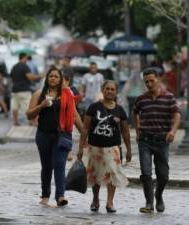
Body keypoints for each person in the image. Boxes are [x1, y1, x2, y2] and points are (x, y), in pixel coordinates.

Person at [26, 67, 84, 207]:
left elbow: (75, 115)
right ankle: (45, 195)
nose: (53, 78)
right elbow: (29, 115)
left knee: (59, 165)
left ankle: (60, 196)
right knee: (47, 167)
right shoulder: (39, 93)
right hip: (43, 135)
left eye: (56, 77)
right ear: (47, 78)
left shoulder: (67, 94)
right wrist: (42, 105)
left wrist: (84, 134)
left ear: (60, 80)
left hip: (62, 136)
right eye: (50, 76)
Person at [77, 80, 132, 213]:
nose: (109, 91)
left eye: (112, 89)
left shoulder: (120, 110)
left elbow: (125, 130)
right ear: (102, 90)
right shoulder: (93, 107)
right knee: (96, 175)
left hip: (113, 148)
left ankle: (110, 202)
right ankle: (95, 199)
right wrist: (80, 148)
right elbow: (85, 128)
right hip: (95, 148)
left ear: (116, 92)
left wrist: (129, 149)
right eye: (107, 89)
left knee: (113, 174)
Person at [133, 68, 181, 213]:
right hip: (145, 140)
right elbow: (134, 112)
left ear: (158, 80)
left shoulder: (169, 97)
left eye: (151, 81)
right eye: (146, 81)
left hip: (162, 141)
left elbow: (177, 115)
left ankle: (158, 195)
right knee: (146, 172)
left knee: (163, 175)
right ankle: (149, 203)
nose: (149, 84)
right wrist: (137, 130)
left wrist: (172, 131)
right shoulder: (141, 98)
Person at [10, 53, 41, 126]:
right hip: (24, 90)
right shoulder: (24, 66)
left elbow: (11, 77)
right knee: (29, 106)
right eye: (26, 58)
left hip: (15, 90)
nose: (27, 60)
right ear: (23, 58)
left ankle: (15, 121)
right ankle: (32, 122)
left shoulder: (14, 66)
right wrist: (39, 76)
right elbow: (30, 77)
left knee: (15, 106)